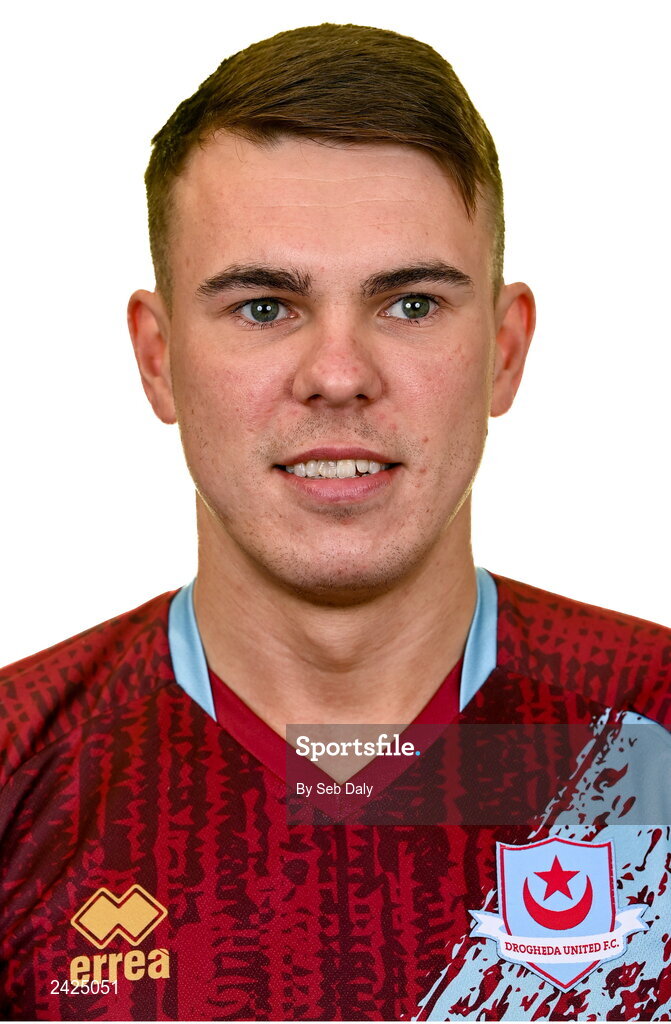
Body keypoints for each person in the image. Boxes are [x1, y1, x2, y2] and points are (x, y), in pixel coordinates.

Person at [1, 22, 670, 1022]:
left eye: (411, 304)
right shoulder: (18, 764)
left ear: (503, 349)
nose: (340, 375)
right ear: (157, 357)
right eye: (264, 307)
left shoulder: (648, 732)